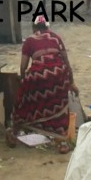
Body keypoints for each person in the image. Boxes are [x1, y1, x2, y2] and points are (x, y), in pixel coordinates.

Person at [10, 14, 78, 154]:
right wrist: (71, 82)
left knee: (23, 103)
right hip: (59, 74)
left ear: (33, 27)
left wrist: (24, 83)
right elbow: (67, 62)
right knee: (60, 108)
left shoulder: (29, 40)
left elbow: (23, 67)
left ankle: (17, 129)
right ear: (47, 26)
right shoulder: (55, 37)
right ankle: (62, 141)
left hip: (38, 75)